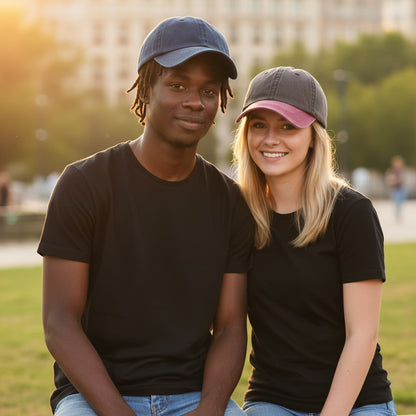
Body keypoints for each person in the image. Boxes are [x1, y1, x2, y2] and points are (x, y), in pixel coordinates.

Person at [38, 16, 254, 416]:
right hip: (93, 396)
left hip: (193, 394)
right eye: (177, 85)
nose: (195, 101)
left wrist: (209, 410)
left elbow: (228, 329)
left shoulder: (230, 203)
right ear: (146, 88)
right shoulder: (83, 184)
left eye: (208, 90)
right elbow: (59, 323)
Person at [233, 66, 395, 416]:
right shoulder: (237, 216)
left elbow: (362, 336)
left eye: (287, 126)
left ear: (314, 136)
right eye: (259, 125)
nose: (270, 139)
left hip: (357, 402)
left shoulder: (351, 214)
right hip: (272, 400)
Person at [385, 155, 407, 221]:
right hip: (395, 189)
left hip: (401, 189)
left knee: (400, 202)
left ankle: (399, 213)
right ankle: (397, 214)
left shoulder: (401, 171)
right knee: (397, 201)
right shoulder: (392, 171)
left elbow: (404, 180)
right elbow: (389, 180)